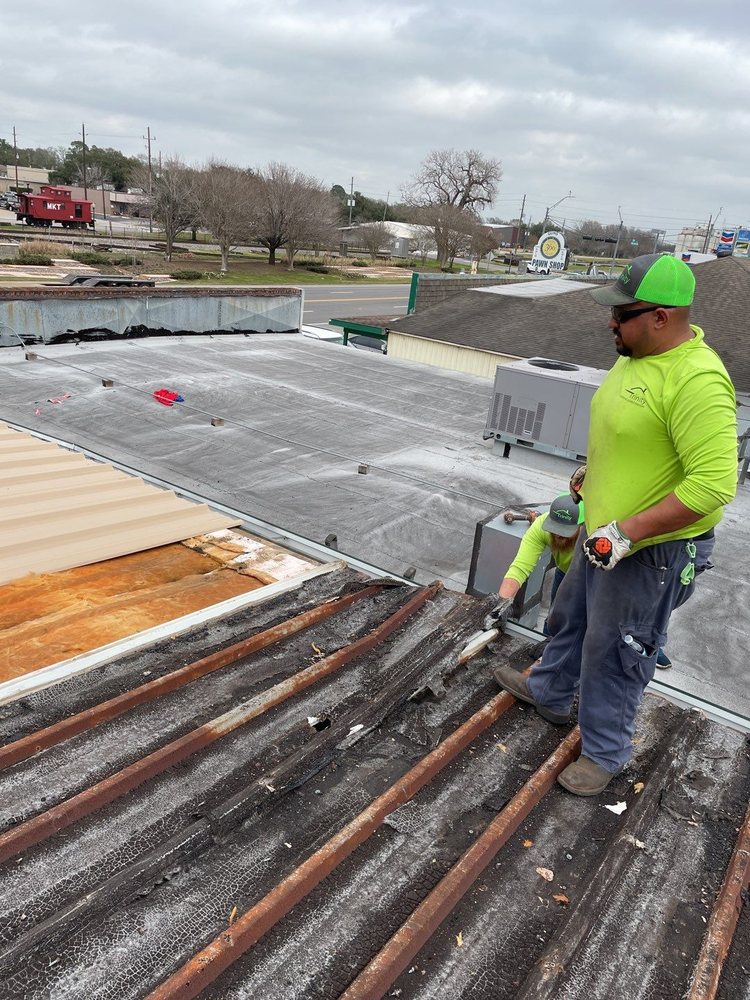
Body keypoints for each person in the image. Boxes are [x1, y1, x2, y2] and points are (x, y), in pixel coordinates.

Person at [493, 253, 737, 795]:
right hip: (602, 532)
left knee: (618, 650)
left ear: (660, 316)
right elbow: (631, 440)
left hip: (648, 550)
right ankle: (551, 693)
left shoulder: (697, 381)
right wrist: (593, 478)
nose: (611, 322)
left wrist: (626, 532)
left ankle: (605, 752)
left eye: (622, 313)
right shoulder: (633, 357)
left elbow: (712, 487)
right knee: (570, 617)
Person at [497, 495, 584, 634]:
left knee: (580, 626)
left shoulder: (594, 536)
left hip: (594, 577)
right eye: (555, 531)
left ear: (582, 526)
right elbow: (519, 568)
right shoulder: (541, 527)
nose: (558, 536)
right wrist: (499, 606)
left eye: (564, 533)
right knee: (554, 618)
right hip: (563, 571)